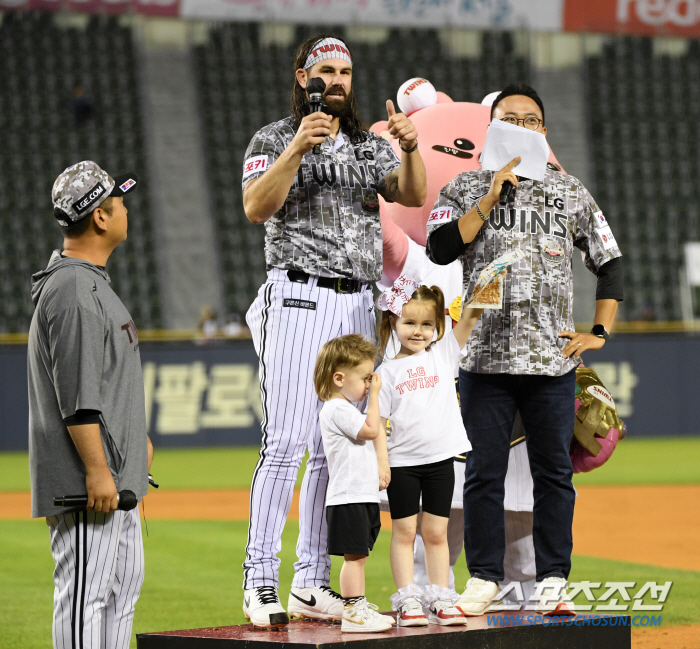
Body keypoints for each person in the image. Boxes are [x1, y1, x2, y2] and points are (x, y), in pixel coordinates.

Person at [241, 33, 427, 627]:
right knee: (287, 441)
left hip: (356, 305)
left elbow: (412, 192)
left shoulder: (369, 145)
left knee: (333, 447)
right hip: (298, 297)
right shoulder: (272, 138)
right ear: (303, 77)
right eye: (326, 69)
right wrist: (297, 146)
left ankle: (310, 582)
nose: (339, 80)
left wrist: (411, 149)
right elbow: (255, 207)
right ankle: (260, 580)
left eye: (346, 70)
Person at [427, 83, 623, 616]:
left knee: (554, 474)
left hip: (551, 361)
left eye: (530, 118)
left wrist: (598, 334)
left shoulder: (569, 191)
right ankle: (485, 579)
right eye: (508, 117)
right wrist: (489, 196)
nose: (520, 125)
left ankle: (554, 578)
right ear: (491, 129)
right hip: (484, 361)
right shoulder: (464, 186)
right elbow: (440, 249)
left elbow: (609, 264)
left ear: (543, 130)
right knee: (483, 474)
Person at [27, 161, 153, 649]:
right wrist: (98, 469)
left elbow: (104, 383)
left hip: (115, 478)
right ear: (100, 217)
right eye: (117, 202)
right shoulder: (75, 289)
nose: (124, 208)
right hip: (90, 486)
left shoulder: (88, 281)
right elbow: (78, 398)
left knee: (121, 592)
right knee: (86, 599)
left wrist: (132, 442)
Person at [375, 278, 482, 626]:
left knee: (437, 534)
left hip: (440, 461)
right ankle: (408, 598)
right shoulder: (386, 372)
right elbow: (378, 424)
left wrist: (486, 286)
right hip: (403, 464)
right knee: (404, 533)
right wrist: (381, 464)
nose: (418, 331)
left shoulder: (444, 354)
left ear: (437, 327)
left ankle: (440, 596)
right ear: (393, 322)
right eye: (409, 323)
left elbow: (469, 318)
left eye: (426, 324)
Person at [313, 334, 394, 633]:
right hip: (348, 497)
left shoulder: (346, 409)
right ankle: (354, 613)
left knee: (359, 555)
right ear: (338, 378)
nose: (369, 384)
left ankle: (357, 608)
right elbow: (372, 430)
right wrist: (375, 396)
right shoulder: (336, 409)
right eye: (364, 378)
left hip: (360, 494)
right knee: (354, 558)